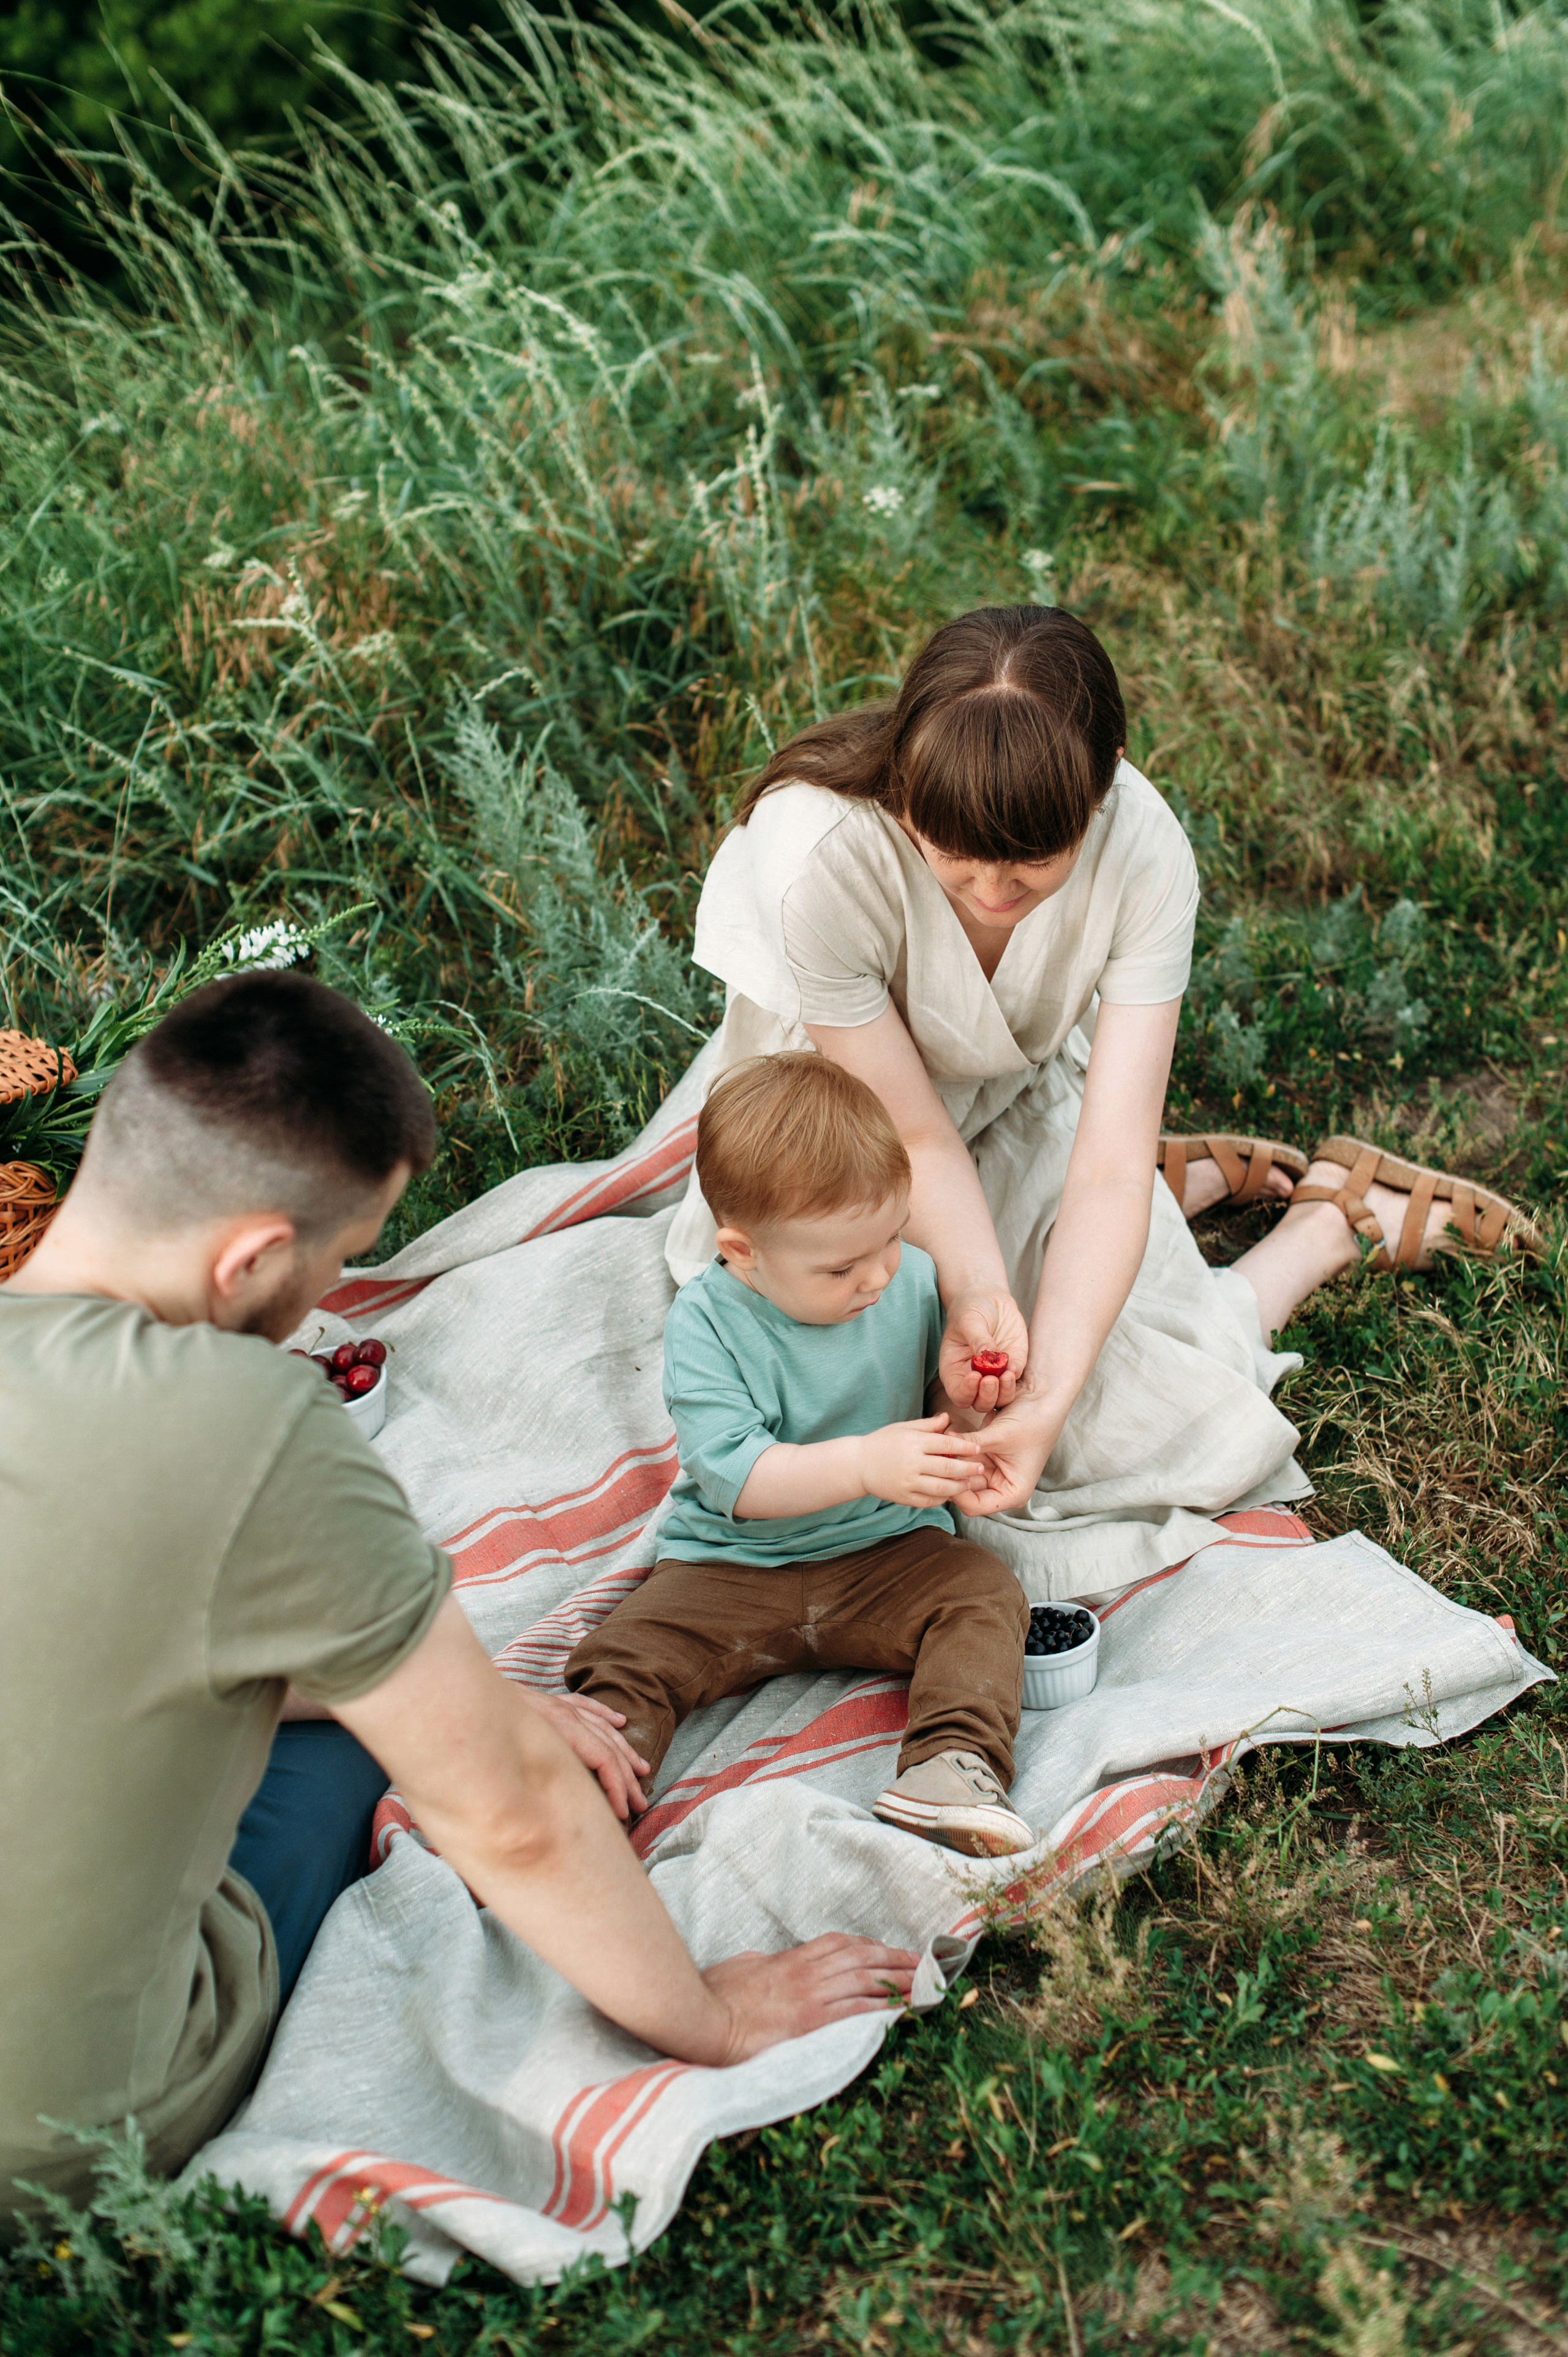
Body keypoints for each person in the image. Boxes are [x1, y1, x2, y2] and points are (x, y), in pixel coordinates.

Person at [0, 973, 916, 2233]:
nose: (324, 1295)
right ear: (256, 1256)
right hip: (64, 2127)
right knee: (346, 1753)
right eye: (341, 1258)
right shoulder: (248, 1424)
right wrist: (711, 2013)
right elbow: (509, 1815)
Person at [665, 605, 1540, 1597]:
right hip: (845, 1142)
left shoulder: (1145, 848)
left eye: (1031, 863)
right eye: (956, 859)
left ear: (1106, 776)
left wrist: (1048, 1389)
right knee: (846, 1397)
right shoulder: (821, 858)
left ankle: (1327, 1218)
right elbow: (912, 1133)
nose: (993, 891)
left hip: (1017, 1090)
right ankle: (1174, 1199)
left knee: (1093, 1419)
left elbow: (1110, 1164)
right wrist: (979, 1294)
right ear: (904, 782)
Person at [567, 1053, 1035, 1858]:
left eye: (891, 1237)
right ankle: (586, 1790)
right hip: (730, 1568)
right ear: (744, 1253)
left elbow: (926, 1416)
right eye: (841, 1267)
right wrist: (862, 1465)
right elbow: (735, 1477)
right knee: (625, 1653)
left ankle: (950, 1765)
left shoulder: (911, 1282)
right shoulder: (707, 1324)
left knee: (984, 1593)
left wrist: (962, 1401)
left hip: (885, 1553)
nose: (878, 1275)